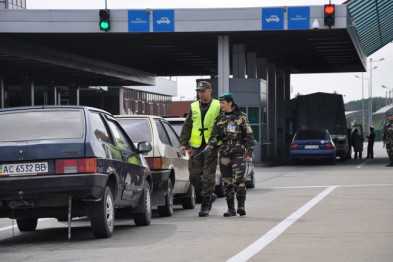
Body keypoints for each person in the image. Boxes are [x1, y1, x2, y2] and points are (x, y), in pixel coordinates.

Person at [206, 93, 255, 217]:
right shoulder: (220, 118)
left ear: (230, 103)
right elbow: (214, 135)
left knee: (239, 180)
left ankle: (241, 206)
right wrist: (210, 145)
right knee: (227, 182)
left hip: (238, 153)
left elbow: (249, 135)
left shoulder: (241, 117)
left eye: (222, 103)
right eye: (220, 103)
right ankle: (231, 209)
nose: (220, 105)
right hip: (224, 154)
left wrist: (249, 151)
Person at [179, 81, 221, 217]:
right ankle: (209, 195)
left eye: (203, 91)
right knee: (194, 177)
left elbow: (220, 125)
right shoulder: (193, 106)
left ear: (210, 91)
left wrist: (215, 141)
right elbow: (187, 125)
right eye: (199, 91)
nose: (201, 94)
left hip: (211, 145)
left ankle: (205, 205)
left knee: (208, 176)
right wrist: (183, 144)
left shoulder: (217, 105)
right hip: (196, 146)